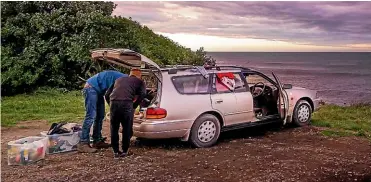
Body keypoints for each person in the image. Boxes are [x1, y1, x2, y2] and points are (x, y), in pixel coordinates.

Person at [77, 70, 127, 153]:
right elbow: (109, 95)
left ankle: (97, 141)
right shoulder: (123, 81)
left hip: (98, 91)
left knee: (100, 115)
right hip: (91, 88)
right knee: (91, 116)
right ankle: (83, 143)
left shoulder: (126, 80)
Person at [105, 68, 146, 159]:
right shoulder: (139, 81)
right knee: (127, 128)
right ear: (139, 75)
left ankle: (115, 151)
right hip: (127, 103)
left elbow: (107, 94)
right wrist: (134, 106)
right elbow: (143, 94)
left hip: (114, 103)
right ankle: (124, 151)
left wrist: (111, 104)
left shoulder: (118, 80)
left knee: (114, 128)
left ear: (130, 74)